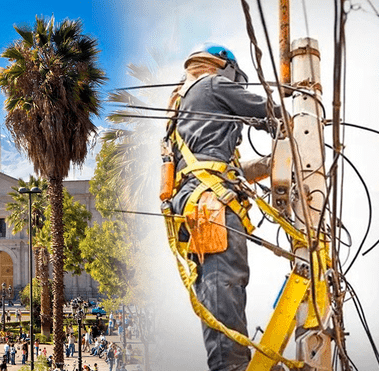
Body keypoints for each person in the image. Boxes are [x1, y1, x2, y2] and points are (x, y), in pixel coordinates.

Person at [165, 44, 282, 371]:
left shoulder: (179, 108)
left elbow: (215, 168)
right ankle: (231, 367)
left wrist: (268, 166)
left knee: (218, 293)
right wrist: (301, 125)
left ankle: (234, 362)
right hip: (210, 205)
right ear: (225, 68)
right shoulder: (214, 84)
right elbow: (270, 115)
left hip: (196, 204)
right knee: (224, 287)